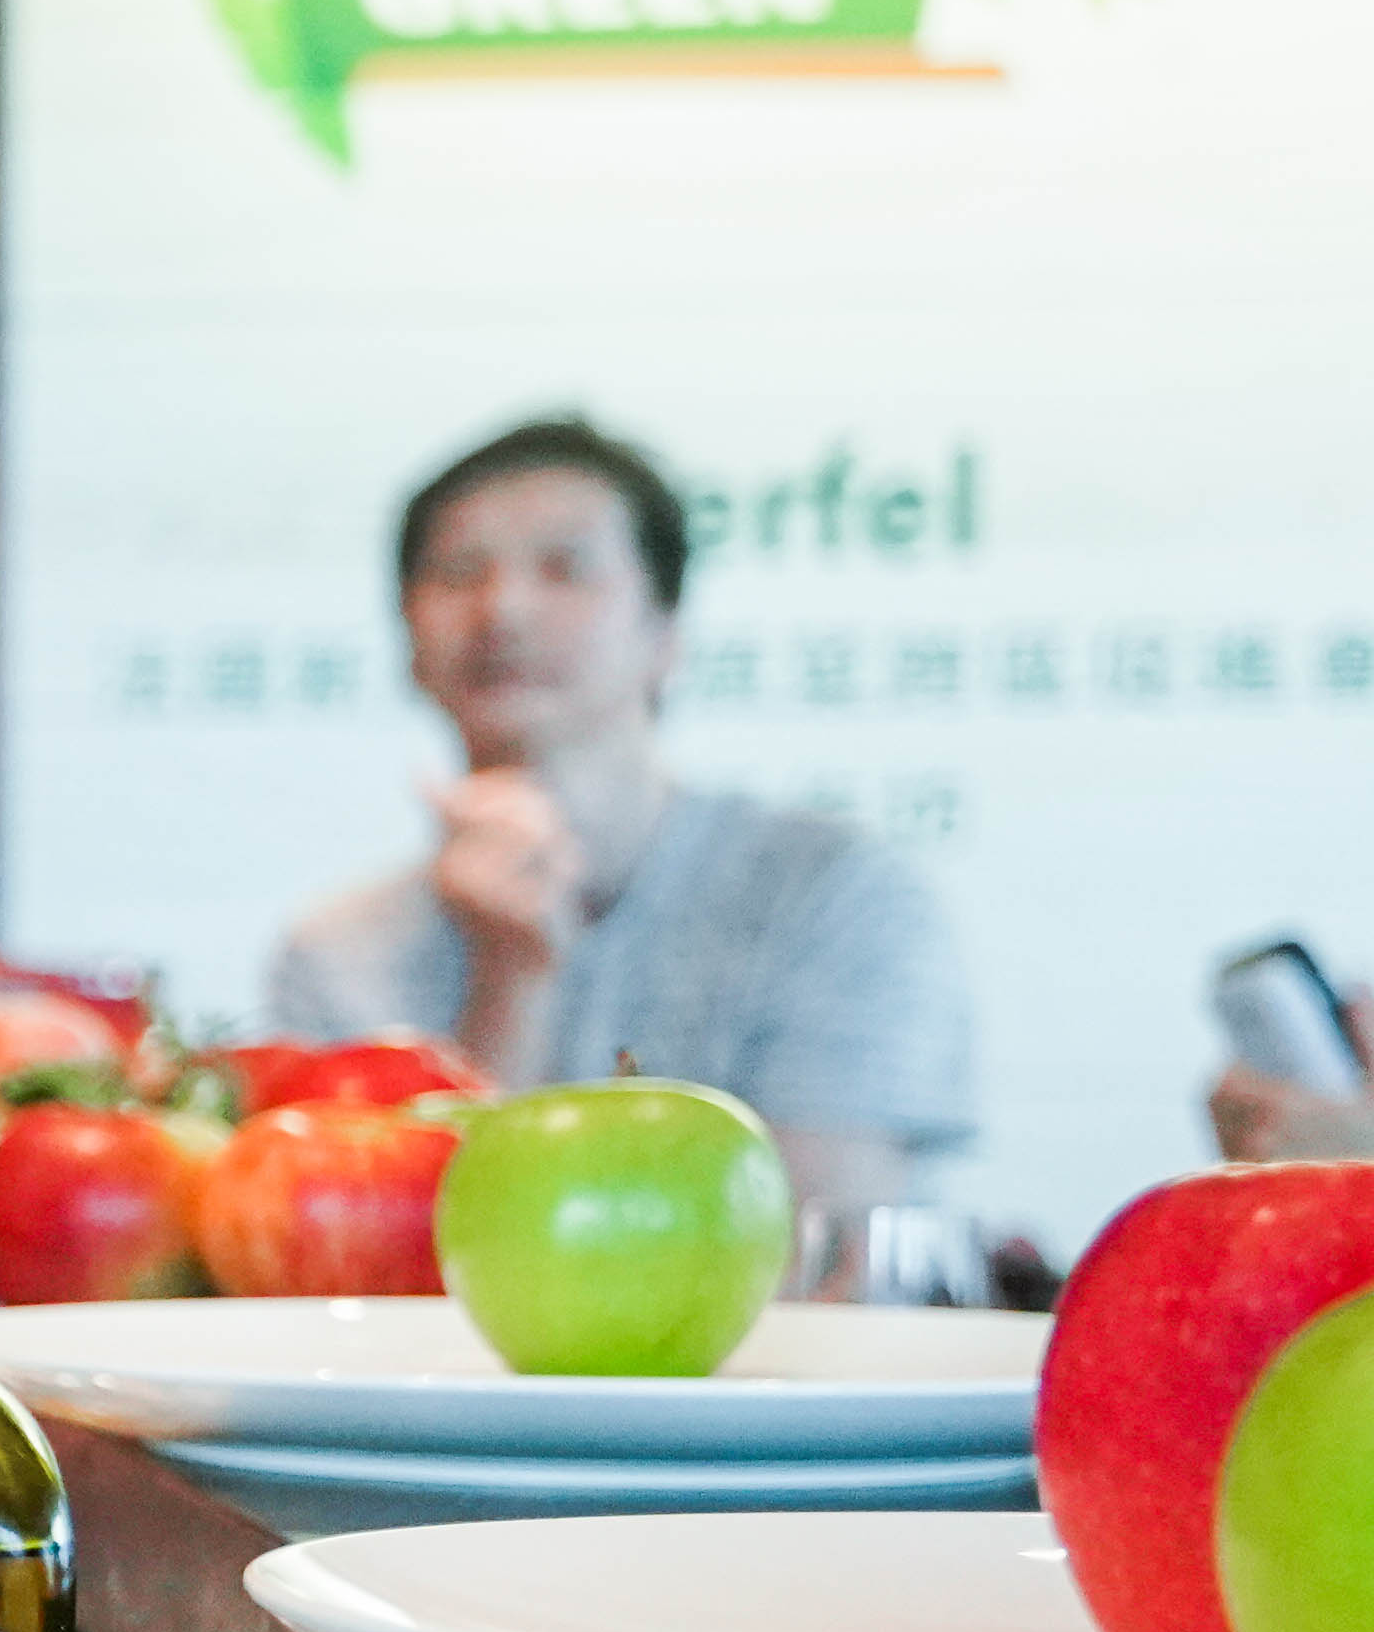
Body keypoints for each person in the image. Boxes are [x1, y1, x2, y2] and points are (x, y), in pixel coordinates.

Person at [264, 415, 971, 1234]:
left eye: (566, 569)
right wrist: (511, 975)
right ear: (409, 648)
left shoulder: (834, 895)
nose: (505, 608)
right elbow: (414, 1279)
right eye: (459, 572)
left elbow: (819, 1261)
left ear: (665, 635)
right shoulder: (336, 955)